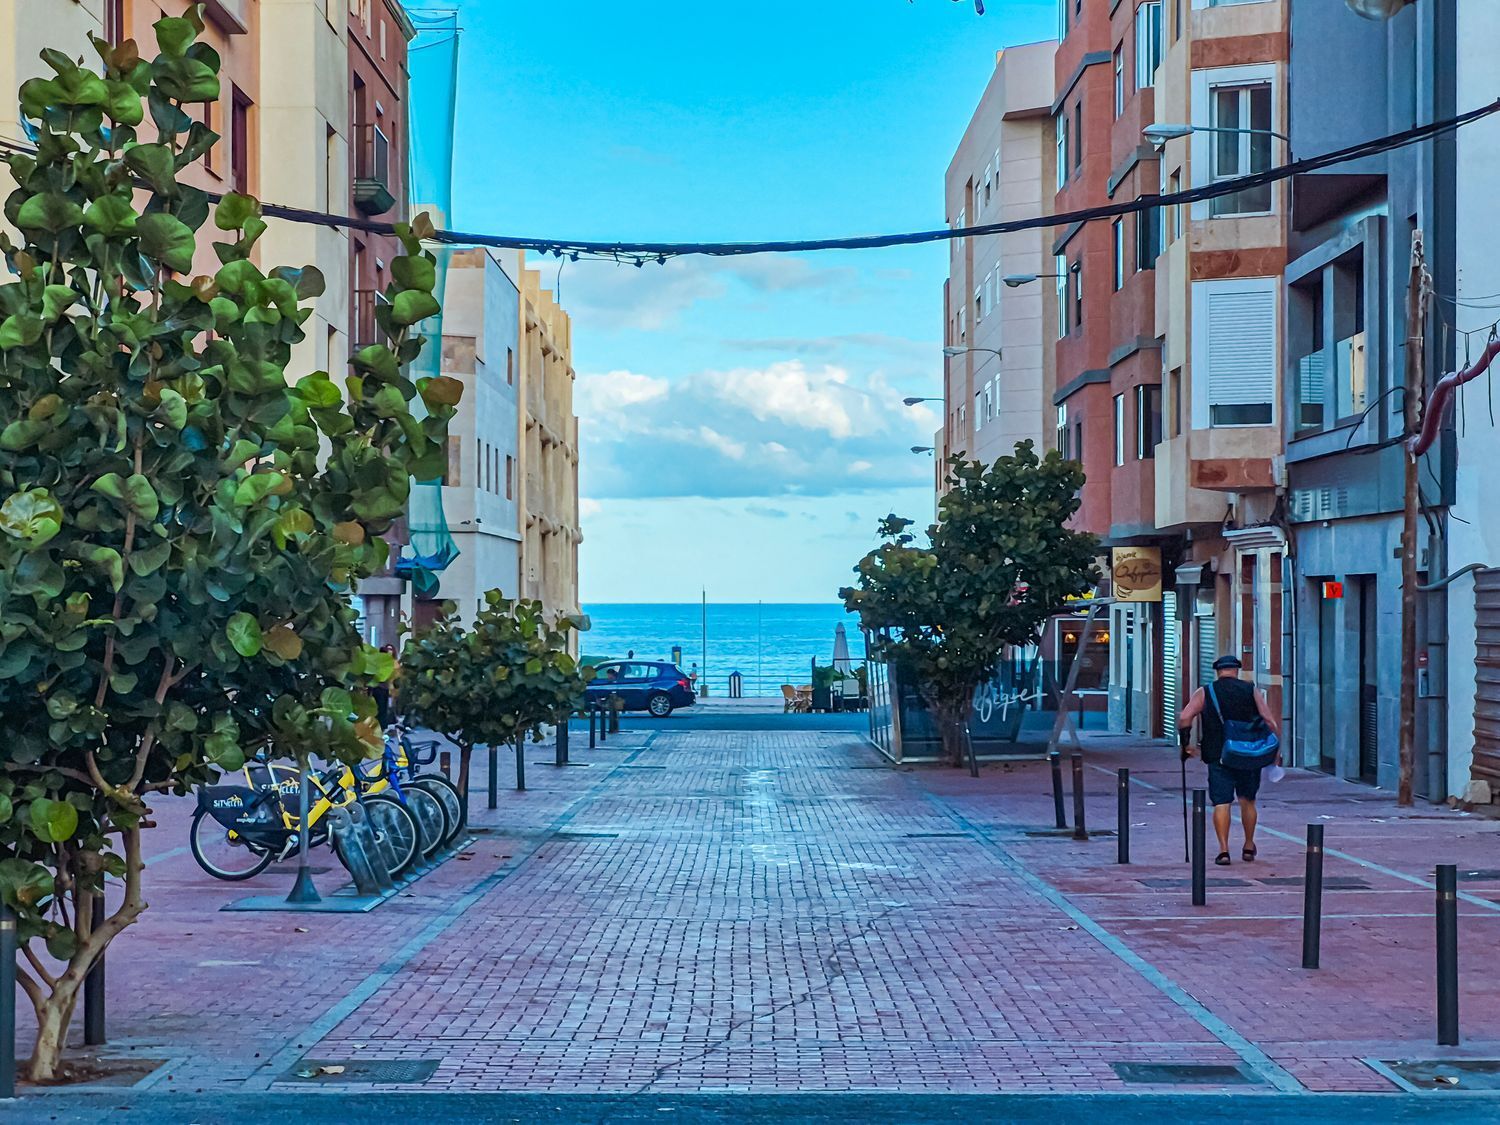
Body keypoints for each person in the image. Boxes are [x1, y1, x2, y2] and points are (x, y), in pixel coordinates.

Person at [1177, 654, 1280, 866]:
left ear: (1218, 672)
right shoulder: (1250, 689)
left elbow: (1185, 717)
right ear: (1236, 671)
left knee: (1222, 802)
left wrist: (1185, 745)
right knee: (1247, 800)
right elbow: (1269, 720)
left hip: (1218, 755)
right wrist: (1275, 749)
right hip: (1248, 754)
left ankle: (1223, 851)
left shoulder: (1206, 691)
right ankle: (1249, 845)